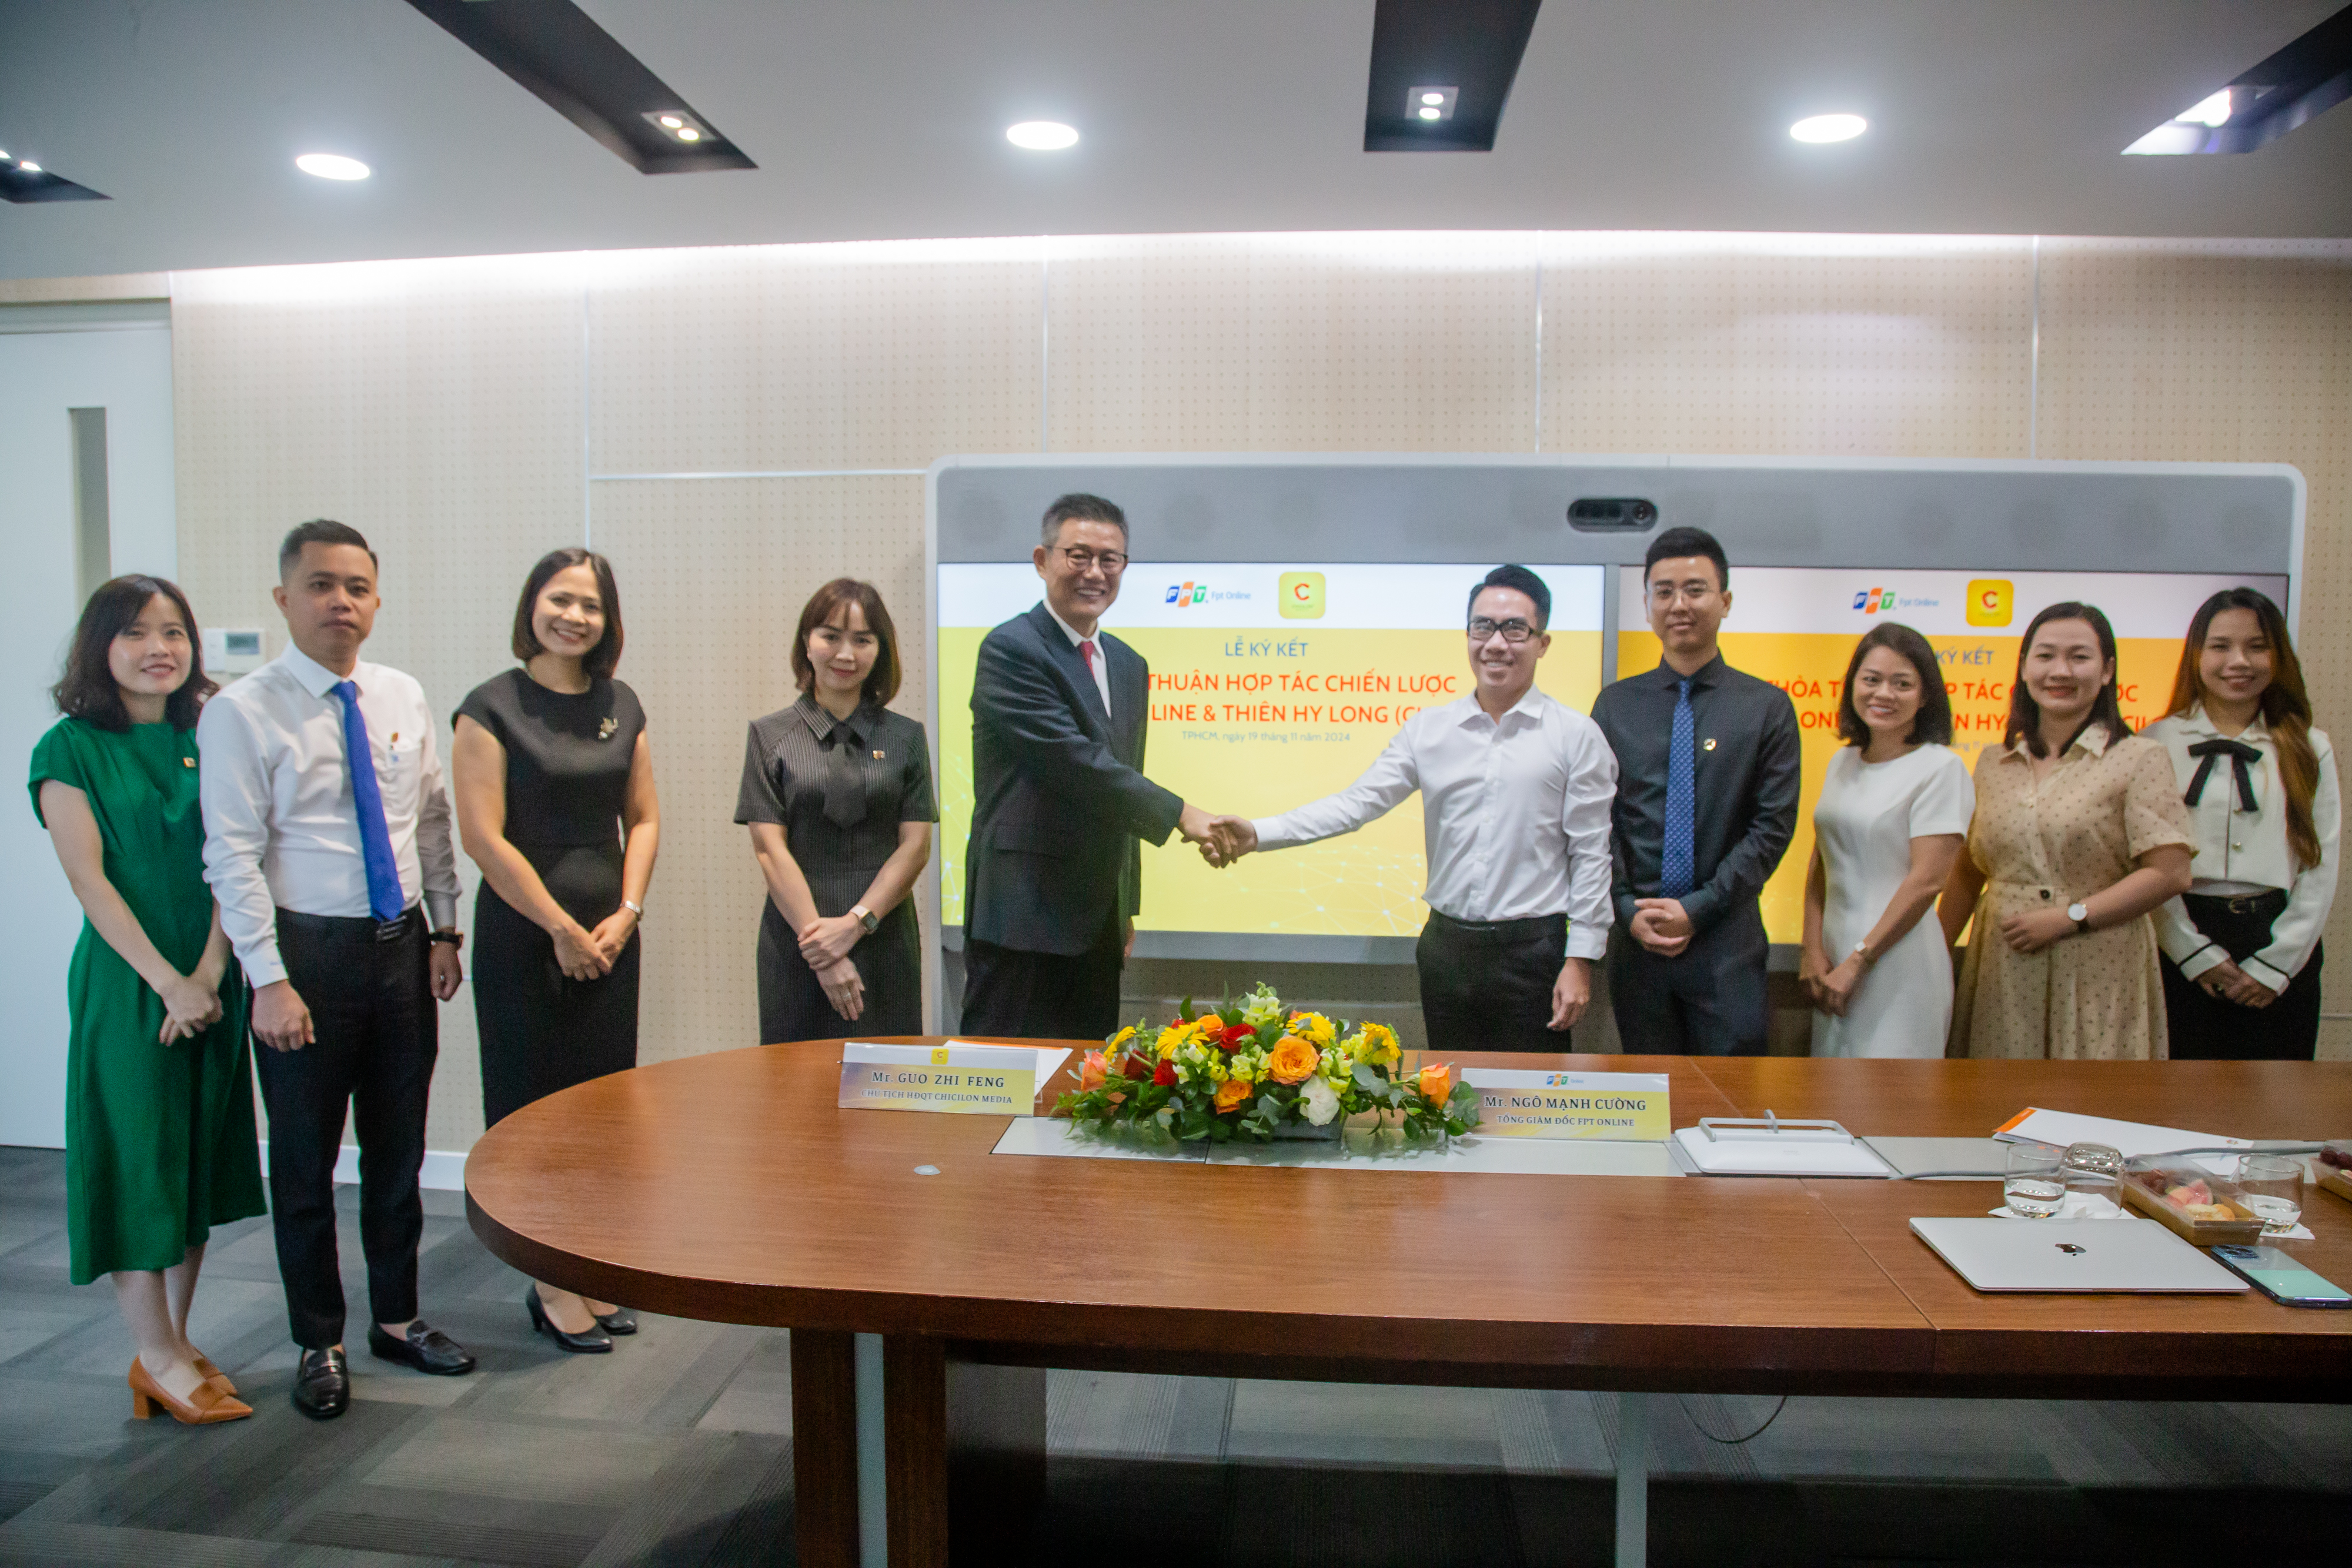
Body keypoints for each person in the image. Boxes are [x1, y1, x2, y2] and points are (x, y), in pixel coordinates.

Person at [198, 520, 476, 1419]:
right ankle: (317, 1336)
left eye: (356, 585)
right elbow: (232, 858)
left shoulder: (401, 693)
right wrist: (267, 979)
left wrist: (446, 929)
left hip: (401, 948)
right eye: (320, 585)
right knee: (308, 1160)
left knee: (397, 1147)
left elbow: (433, 822)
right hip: (303, 955)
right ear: (284, 598)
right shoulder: (242, 710)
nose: (340, 602)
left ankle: (397, 1316)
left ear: (377, 598)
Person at [29, 577, 266, 1426]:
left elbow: (234, 863)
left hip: (211, 977)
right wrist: (168, 980)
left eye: (174, 631)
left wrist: (208, 972)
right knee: (139, 1164)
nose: (159, 647)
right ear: (101, 646)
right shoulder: (67, 748)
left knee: (194, 1157)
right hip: (129, 986)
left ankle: (176, 1336)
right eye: (135, 633)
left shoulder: (212, 734)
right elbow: (89, 880)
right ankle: (154, 1352)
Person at [1202, 566, 1618, 1049]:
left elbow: (1591, 853)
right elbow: (1356, 805)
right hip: (1446, 949)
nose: (1496, 643)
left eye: (1515, 629)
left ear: (1542, 642)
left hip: (1534, 953)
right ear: (1467, 635)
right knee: (1450, 1100)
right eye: (1482, 626)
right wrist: (1258, 832)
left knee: (1528, 1106)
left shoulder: (1575, 736)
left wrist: (1581, 958)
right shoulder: (1429, 730)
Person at [453, 548, 660, 1352]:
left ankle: (589, 1262)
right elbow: (483, 836)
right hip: (524, 933)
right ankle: (549, 1281)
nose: (575, 615)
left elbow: (642, 817)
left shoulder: (623, 703)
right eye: (560, 598)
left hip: (612, 934)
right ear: (531, 605)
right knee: (532, 1108)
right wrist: (560, 928)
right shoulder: (491, 706)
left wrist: (627, 910)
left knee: (602, 1109)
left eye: (592, 605)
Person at [961, 493, 1218, 1040]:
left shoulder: (1128, 664)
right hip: (1021, 918)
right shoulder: (1011, 649)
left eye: (1111, 559)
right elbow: (1079, 765)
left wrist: (1126, 905)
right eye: (1078, 555)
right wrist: (1181, 814)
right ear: (1041, 559)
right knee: (1004, 1082)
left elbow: (1119, 788)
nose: (1095, 572)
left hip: (1097, 921)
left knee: (1085, 1090)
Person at [1940, 603, 2193, 1060]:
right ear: (2023, 667)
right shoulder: (1993, 763)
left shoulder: (2140, 757)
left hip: (2099, 961)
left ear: (2107, 671)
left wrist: (2070, 917)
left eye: (2079, 656)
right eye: (2045, 656)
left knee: (2089, 1108)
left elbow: (2170, 873)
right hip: (2004, 964)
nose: (2061, 670)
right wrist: (1934, 955)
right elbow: (1968, 871)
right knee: (1997, 1105)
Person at [1591, 526, 1800, 1055]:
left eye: (1695, 589)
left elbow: (1771, 829)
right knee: (1649, 1102)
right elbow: (1599, 822)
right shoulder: (1615, 706)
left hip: (1725, 943)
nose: (1679, 604)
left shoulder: (1766, 709)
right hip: (1637, 945)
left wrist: (1698, 908)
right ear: (1646, 605)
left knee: (1732, 1106)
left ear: (1725, 601)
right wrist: (1624, 907)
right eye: (1664, 591)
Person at [2143, 588, 2338, 1059]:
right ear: (2196, 654)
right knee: (2178, 1096)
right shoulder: (2155, 741)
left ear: (2278, 655)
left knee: (2275, 1100)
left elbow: (2321, 864)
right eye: (2221, 646)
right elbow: (2144, 863)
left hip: (2277, 933)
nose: (2239, 661)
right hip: (2182, 934)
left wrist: (2278, 965)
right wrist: (2193, 955)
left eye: (2256, 646)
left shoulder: (2308, 745)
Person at [738, 579, 934, 1042]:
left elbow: (916, 846)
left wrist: (855, 925)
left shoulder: (907, 737)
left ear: (880, 651)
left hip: (883, 934)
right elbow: (770, 851)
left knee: (888, 1088)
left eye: (863, 640)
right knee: (796, 1091)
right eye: (831, 636)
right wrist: (822, 948)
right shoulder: (770, 736)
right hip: (797, 939)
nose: (845, 653)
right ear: (807, 642)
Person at [1799, 623, 1974, 1057]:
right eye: (1871, 679)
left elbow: (1927, 882)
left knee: (1890, 1103)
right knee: (1829, 1100)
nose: (1884, 694)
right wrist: (1812, 948)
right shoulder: (1843, 761)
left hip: (1897, 963)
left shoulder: (1941, 769)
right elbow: (1822, 863)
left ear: (1926, 694)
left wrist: (1859, 960)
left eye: (1902, 683)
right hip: (1833, 958)